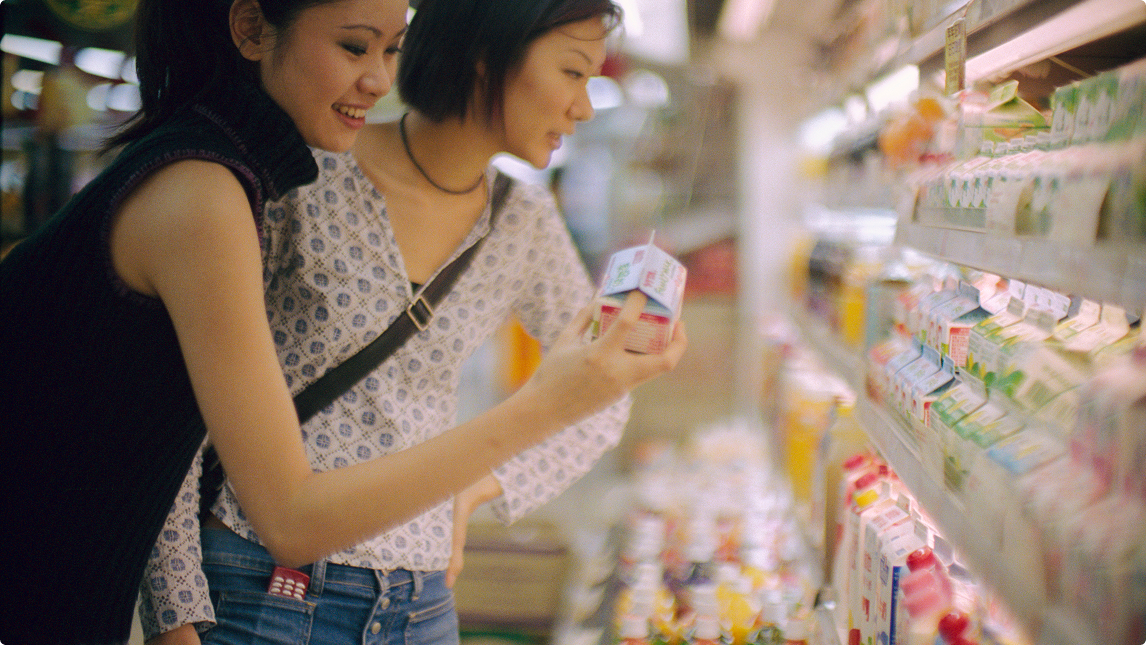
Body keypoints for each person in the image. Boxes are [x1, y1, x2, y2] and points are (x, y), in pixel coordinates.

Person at [0, 0, 685, 642]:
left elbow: (600, 397)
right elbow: (178, 422)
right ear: (486, 52)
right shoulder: (282, 178)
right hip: (259, 582)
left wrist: (484, 485)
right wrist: (178, 610)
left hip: (418, 598)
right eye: (572, 71)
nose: (584, 105)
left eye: (390, 47)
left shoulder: (524, 223)